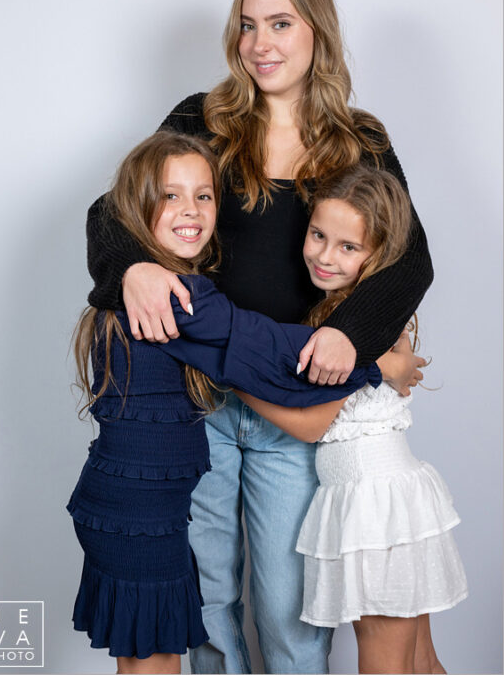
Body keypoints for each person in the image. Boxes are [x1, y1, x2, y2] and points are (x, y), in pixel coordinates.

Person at [84, 0, 433, 674]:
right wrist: (133, 268)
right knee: (209, 602)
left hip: (295, 405)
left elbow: (409, 260)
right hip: (202, 399)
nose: (259, 43)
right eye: (246, 25)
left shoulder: (359, 141)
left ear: (317, 33)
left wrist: (349, 336)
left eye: (279, 23)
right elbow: (115, 211)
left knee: (289, 609)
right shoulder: (203, 118)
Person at [68, 130, 383, 675]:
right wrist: (375, 361)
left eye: (204, 195)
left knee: (151, 658)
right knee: (153, 661)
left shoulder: (168, 288)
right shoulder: (172, 298)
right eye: (170, 196)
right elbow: (273, 353)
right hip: (137, 520)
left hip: (141, 512)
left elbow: (248, 358)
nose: (191, 210)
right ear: (134, 207)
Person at [235, 166, 467, 675]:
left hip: (375, 508)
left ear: (378, 255)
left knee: (388, 663)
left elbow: (311, 425)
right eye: (318, 235)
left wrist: (232, 381)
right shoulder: (353, 316)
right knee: (422, 663)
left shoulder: (352, 328)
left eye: (348, 247)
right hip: (390, 500)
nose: (324, 256)